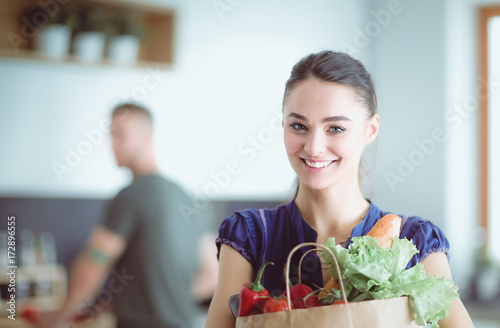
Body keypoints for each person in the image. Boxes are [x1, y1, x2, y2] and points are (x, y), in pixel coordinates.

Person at [205, 51, 475, 328]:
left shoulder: (415, 243)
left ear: (370, 130)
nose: (313, 147)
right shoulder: (250, 237)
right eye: (299, 126)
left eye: (335, 128)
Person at [42, 104, 205, 328]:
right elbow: (212, 275)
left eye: (120, 134)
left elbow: (94, 263)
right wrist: (165, 301)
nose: (112, 145)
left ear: (146, 136)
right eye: (110, 135)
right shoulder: (188, 197)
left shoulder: (131, 194)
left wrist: (59, 317)